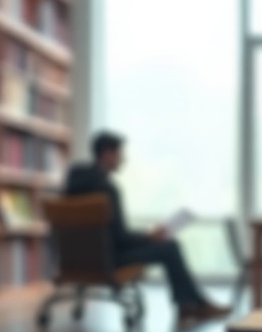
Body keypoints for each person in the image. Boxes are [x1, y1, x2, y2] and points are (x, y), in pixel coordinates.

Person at [64, 130, 230, 322]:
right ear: (108, 154)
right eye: (120, 154)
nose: (123, 160)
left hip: (74, 260)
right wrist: (149, 237)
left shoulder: (72, 180)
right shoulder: (107, 189)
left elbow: (109, 234)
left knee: (165, 245)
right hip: (108, 259)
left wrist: (146, 237)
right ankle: (192, 305)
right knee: (170, 247)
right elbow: (119, 237)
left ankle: (190, 304)